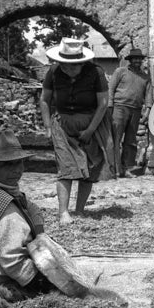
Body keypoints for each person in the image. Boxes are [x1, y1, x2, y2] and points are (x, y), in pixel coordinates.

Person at [40, 38, 116, 225]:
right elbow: (44, 99)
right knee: (65, 168)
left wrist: (90, 130)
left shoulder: (95, 73)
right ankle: (63, 212)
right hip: (63, 124)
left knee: (89, 168)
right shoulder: (53, 72)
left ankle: (80, 209)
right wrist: (48, 126)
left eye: (73, 66)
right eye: (64, 65)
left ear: (82, 62)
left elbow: (103, 104)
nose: (68, 69)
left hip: (90, 122)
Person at [0, 130, 54, 308]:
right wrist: (45, 285)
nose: (17, 170)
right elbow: (13, 261)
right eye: (7, 165)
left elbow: (29, 206)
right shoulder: (2, 204)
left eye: (19, 162)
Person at [109, 47, 152, 178]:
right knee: (116, 138)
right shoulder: (120, 72)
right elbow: (111, 89)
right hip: (119, 107)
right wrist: (110, 107)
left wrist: (148, 109)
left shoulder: (145, 77)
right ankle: (115, 169)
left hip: (136, 109)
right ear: (130, 60)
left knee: (131, 141)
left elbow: (148, 95)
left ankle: (127, 168)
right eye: (135, 59)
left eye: (139, 59)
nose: (137, 61)